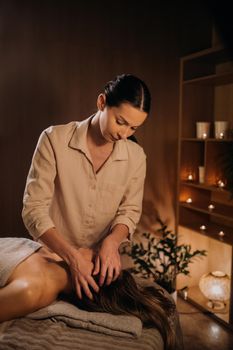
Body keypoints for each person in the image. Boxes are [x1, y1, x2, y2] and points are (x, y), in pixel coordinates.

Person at [22, 74, 151, 300]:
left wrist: (112, 242)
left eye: (134, 128)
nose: (124, 134)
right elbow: (33, 210)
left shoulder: (136, 157)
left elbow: (129, 210)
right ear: (101, 103)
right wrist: (72, 258)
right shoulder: (54, 140)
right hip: (51, 258)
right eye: (120, 122)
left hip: (96, 264)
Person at [0, 237, 177, 350]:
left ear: (91, 280)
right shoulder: (53, 256)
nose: (100, 252)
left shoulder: (32, 290)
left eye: (99, 259)